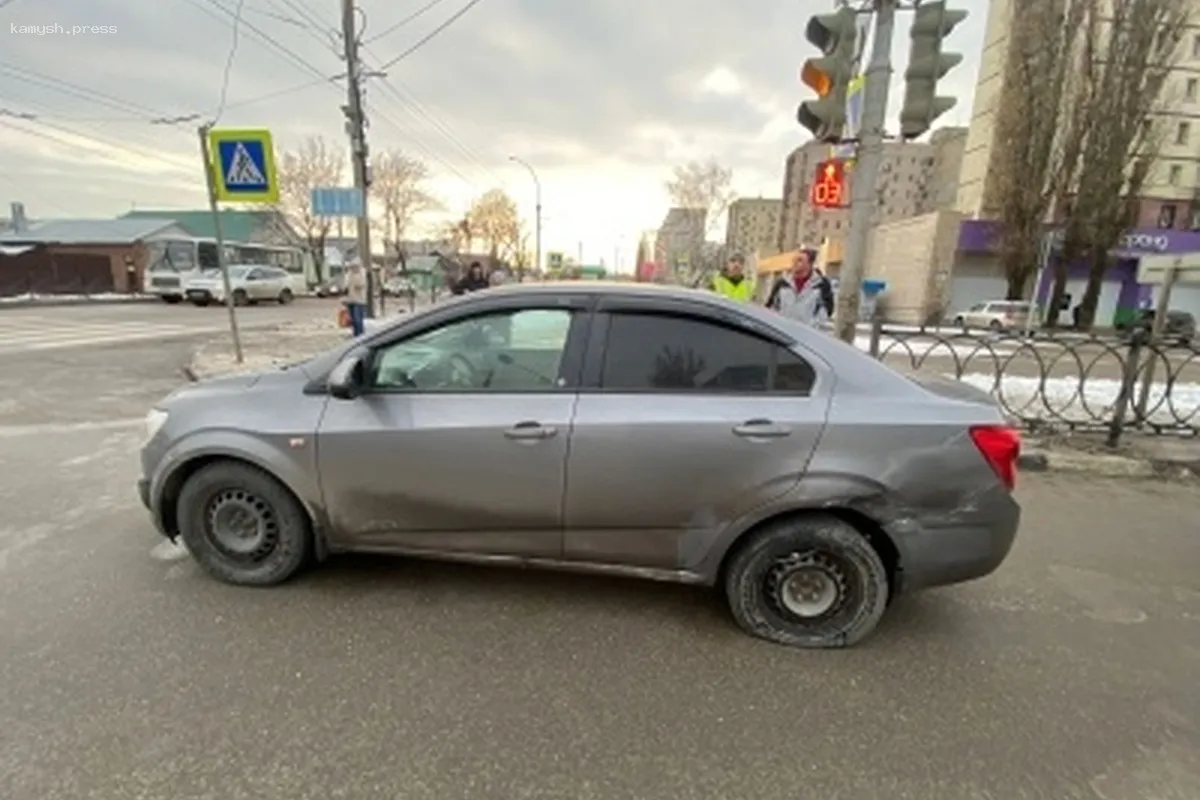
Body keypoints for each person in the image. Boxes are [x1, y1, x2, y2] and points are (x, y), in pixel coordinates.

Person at [764, 248, 834, 326]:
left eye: (800, 260)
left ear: (810, 264)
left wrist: (812, 327)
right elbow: (770, 308)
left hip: (805, 334)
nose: (795, 263)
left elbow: (825, 312)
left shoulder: (821, 285)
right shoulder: (782, 284)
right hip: (781, 332)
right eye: (794, 260)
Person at [343, 259, 367, 337]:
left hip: (359, 301)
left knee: (358, 319)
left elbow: (360, 284)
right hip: (350, 300)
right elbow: (346, 286)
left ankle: (360, 335)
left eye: (355, 267)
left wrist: (355, 277)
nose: (353, 269)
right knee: (353, 320)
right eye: (352, 267)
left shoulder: (362, 274)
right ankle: (355, 334)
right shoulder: (349, 274)